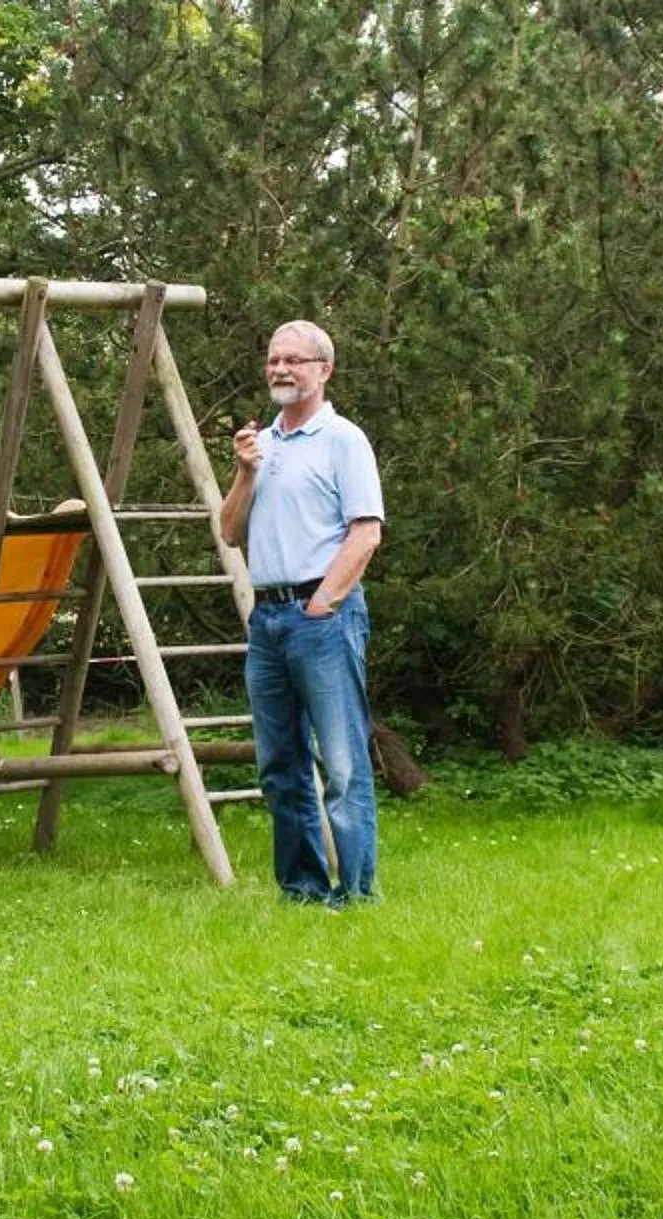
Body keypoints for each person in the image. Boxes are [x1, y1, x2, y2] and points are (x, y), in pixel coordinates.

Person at [219, 319, 384, 905]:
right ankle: (303, 889)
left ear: (324, 369)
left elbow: (365, 534)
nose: (280, 369)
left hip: (322, 617)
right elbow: (229, 531)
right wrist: (245, 472)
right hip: (266, 621)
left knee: (340, 767)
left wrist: (324, 603)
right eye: (272, 360)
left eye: (294, 360)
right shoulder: (261, 446)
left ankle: (356, 893)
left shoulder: (344, 440)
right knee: (280, 767)